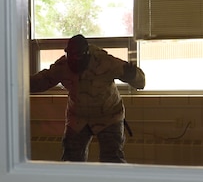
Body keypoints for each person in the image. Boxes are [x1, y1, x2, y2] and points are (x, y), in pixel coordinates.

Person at [30, 34, 145, 162]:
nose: (74, 61)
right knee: (71, 159)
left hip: (109, 116)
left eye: (77, 56)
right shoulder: (63, 66)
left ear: (87, 54)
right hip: (78, 117)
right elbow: (43, 80)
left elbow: (141, 82)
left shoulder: (105, 62)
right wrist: (17, 85)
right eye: (70, 56)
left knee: (112, 159)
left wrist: (133, 76)